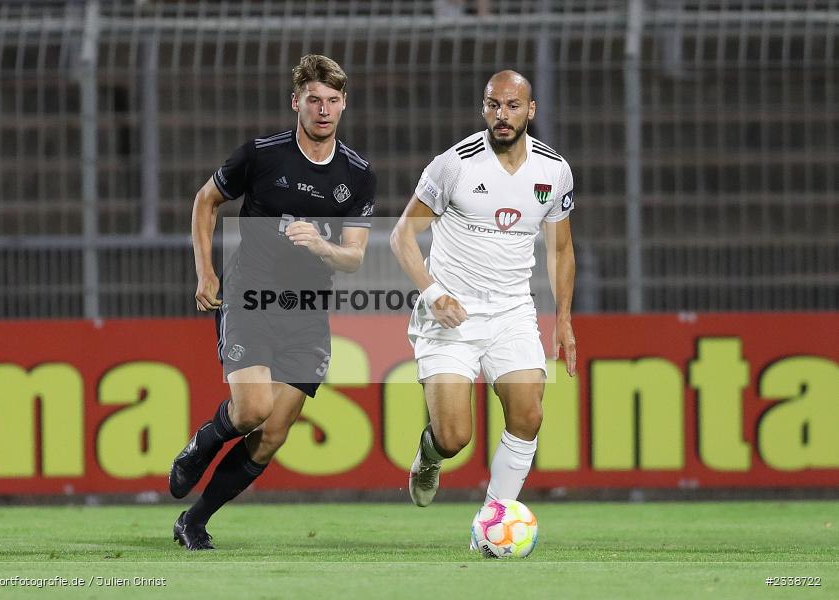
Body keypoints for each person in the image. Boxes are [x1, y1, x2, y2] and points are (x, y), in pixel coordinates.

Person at [170, 54, 376, 550]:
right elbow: (206, 201)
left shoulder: (359, 175)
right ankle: (202, 443)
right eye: (313, 100)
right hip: (250, 297)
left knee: (273, 434)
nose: (323, 110)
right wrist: (205, 270)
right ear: (296, 102)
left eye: (331, 101)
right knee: (252, 410)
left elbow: (353, 259)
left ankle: (194, 521)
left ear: (344, 104)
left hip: (307, 311)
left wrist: (321, 245)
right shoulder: (261, 156)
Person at [390, 70, 576, 517]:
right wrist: (434, 294)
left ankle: (493, 519)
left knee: (529, 415)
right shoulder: (454, 164)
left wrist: (564, 320)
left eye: (513, 106)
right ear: (484, 109)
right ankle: (430, 456)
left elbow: (562, 248)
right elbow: (402, 236)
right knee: (454, 437)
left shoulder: (554, 170)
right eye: (494, 105)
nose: (502, 115)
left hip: (512, 311)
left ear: (530, 110)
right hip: (450, 314)